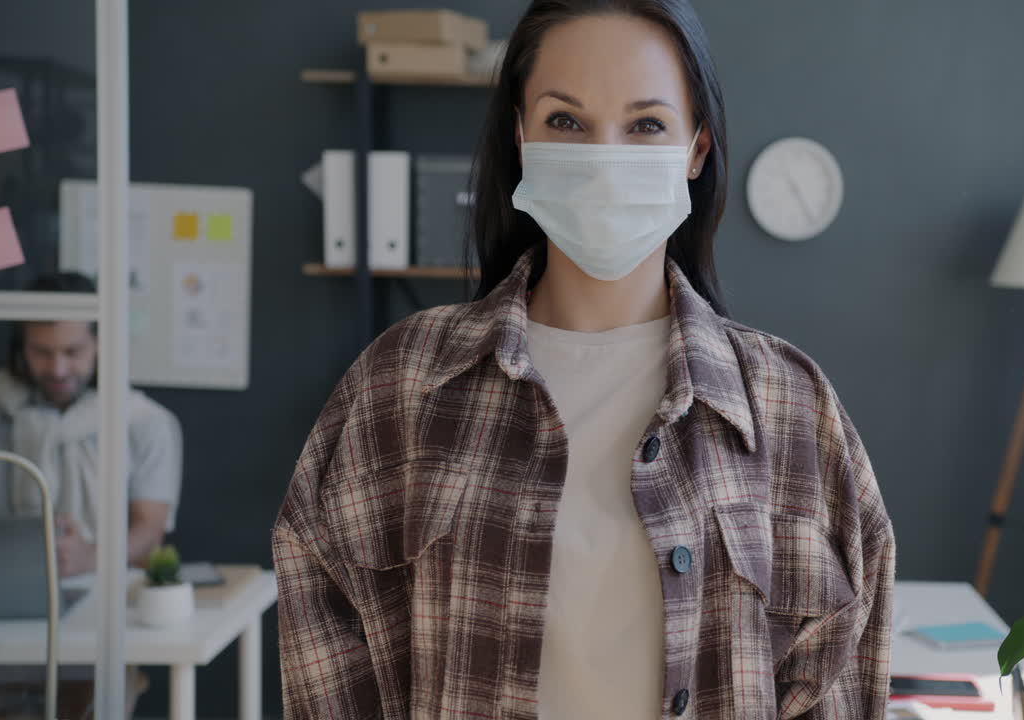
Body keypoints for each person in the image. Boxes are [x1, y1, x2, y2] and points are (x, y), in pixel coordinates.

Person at [273, 1, 895, 718]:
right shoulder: (400, 386)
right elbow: (324, 650)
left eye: (646, 125)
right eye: (566, 121)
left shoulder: (792, 409)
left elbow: (841, 677)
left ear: (696, 147)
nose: (605, 159)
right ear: (521, 133)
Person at [0, 271, 181, 720]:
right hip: (6, 617)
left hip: (101, 617)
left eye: (73, 352)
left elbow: (149, 534)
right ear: (21, 348)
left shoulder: (146, 423)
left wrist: (89, 555)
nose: (57, 369)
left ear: (102, 345)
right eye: (42, 352)